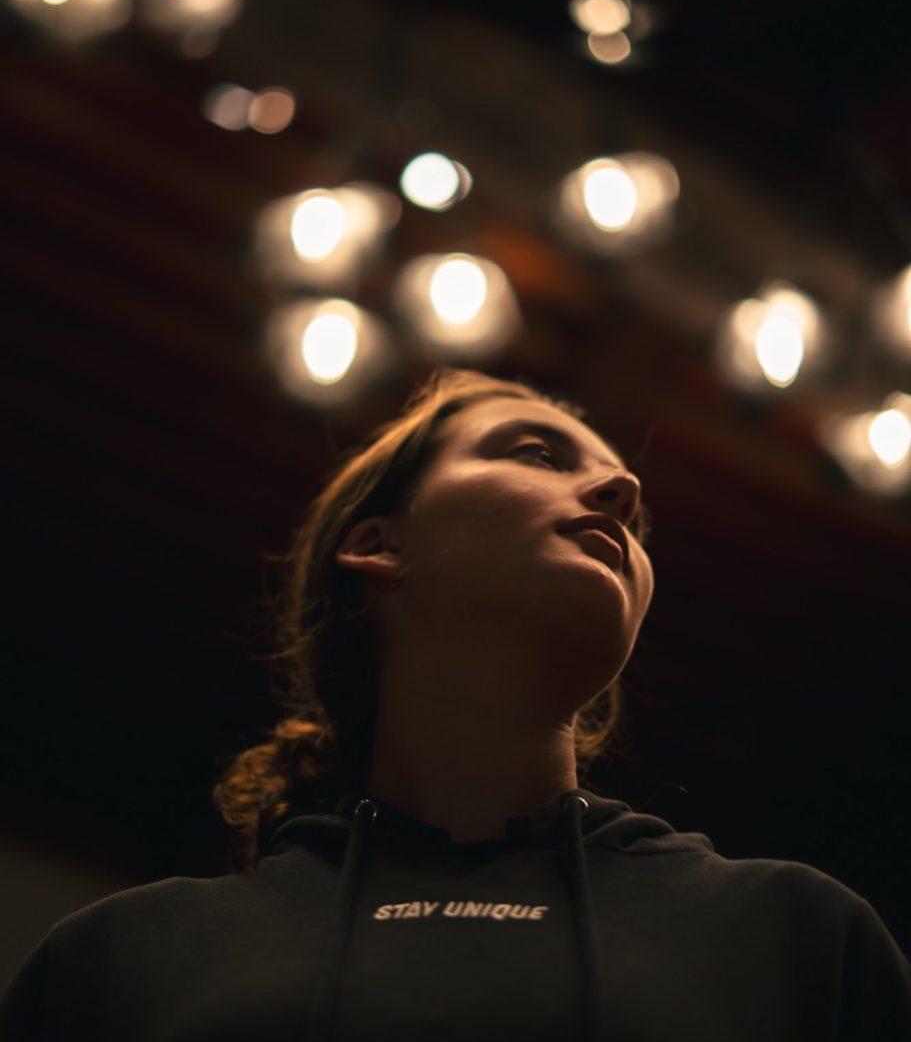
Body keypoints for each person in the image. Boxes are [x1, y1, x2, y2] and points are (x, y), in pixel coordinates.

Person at [1, 365, 909, 1042]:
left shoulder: (797, 939)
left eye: (630, 516)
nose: (622, 492)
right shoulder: (122, 962)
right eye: (536, 453)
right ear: (376, 546)